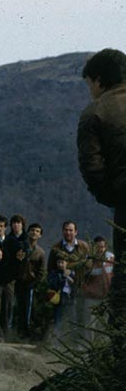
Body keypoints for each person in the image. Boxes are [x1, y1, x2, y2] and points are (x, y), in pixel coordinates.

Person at [78, 48, 126, 344]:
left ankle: (119, 357)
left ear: (98, 80)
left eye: (89, 85)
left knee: (124, 282)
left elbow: (92, 169)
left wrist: (114, 197)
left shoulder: (96, 112)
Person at [47, 221, 91, 347]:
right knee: (59, 318)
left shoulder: (83, 247)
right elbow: (50, 269)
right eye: (66, 230)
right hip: (61, 290)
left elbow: (89, 266)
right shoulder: (57, 248)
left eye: (71, 230)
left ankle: (77, 346)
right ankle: (55, 346)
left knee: (78, 318)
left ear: (76, 232)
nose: (68, 232)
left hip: (79, 288)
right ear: (62, 231)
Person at [14, 223, 47, 339]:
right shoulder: (20, 246)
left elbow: (41, 270)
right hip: (17, 281)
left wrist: (36, 281)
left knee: (28, 308)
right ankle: (14, 331)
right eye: (32, 230)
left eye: (37, 231)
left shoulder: (40, 252)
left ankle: (26, 333)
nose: (34, 233)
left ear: (40, 235)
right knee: (16, 306)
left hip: (30, 284)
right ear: (28, 232)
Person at [81, 235, 115, 340]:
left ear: (105, 246)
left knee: (104, 324)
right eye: (98, 247)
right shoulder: (89, 260)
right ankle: (88, 347)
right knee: (90, 324)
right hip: (91, 297)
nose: (100, 250)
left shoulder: (111, 258)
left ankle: (103, 347)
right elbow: (82, 277)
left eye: (102, 247)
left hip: (106, 297)